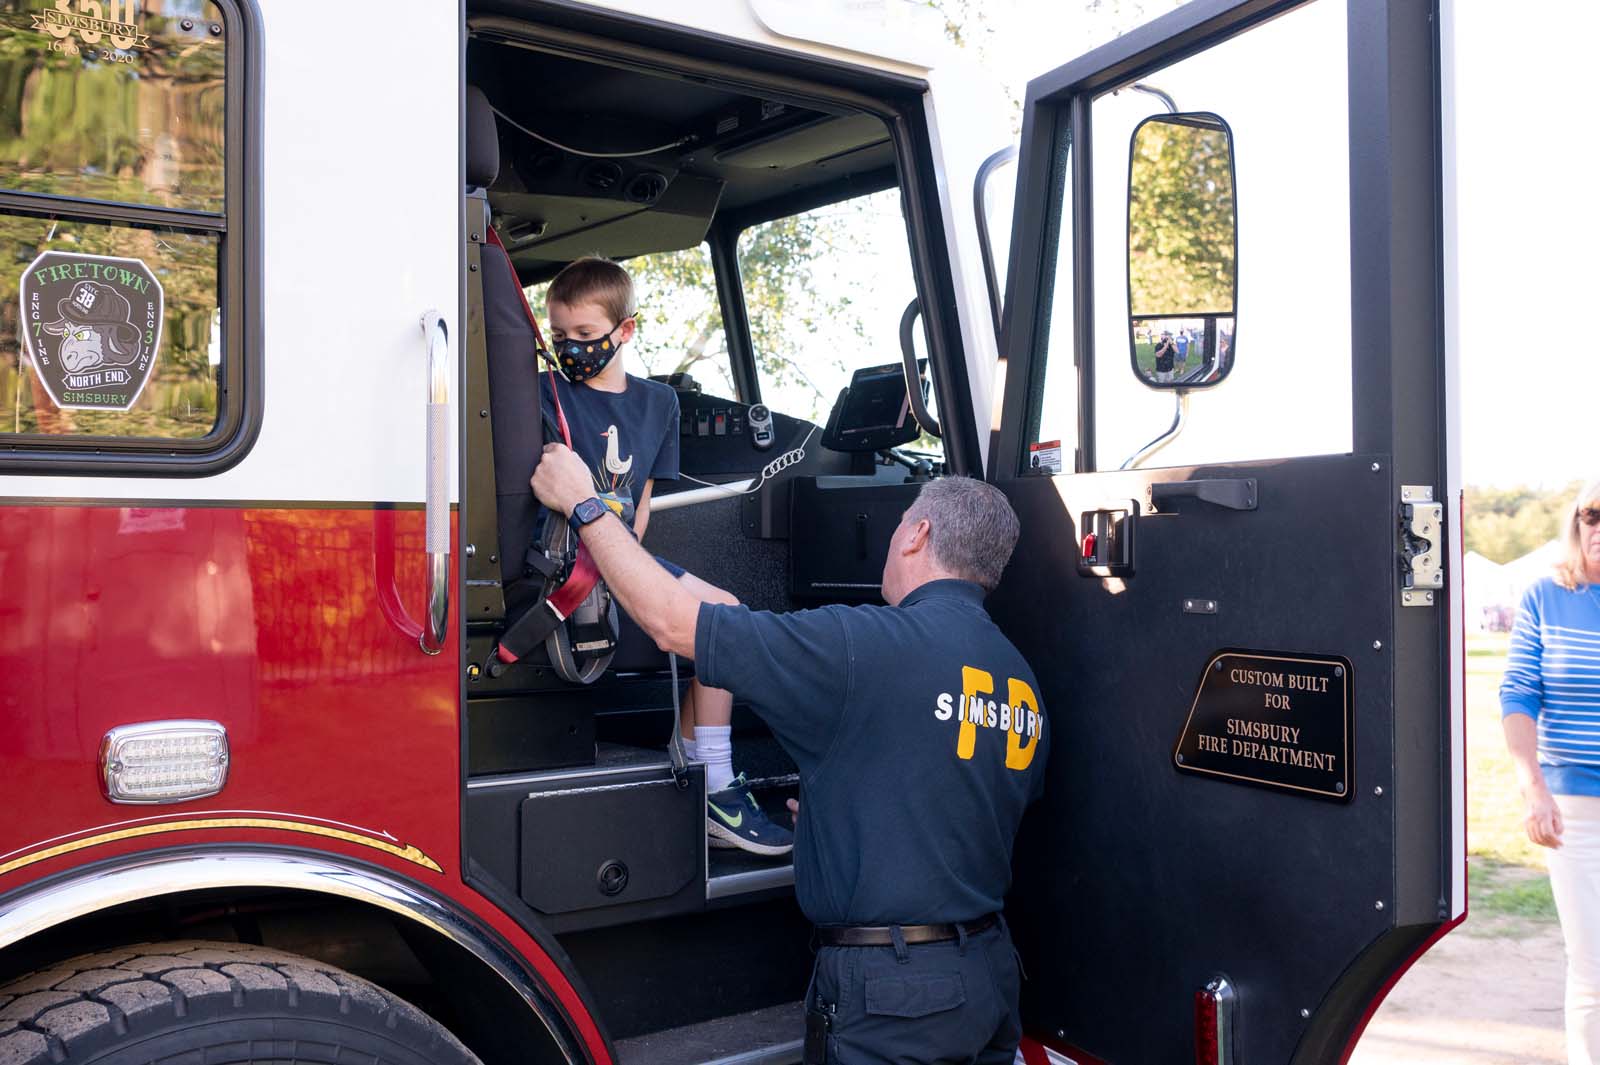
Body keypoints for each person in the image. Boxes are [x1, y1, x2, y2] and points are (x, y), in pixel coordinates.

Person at [532, 455, 1048, 1064]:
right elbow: (957, 798)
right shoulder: (1021, 681)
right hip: (989, 979)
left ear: (918, 534)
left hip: (896, 1001)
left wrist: (584, 504)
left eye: (899, 522)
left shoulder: (863, 646)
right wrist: (842, 820)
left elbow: (674, 623)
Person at [539, 257, 793, 856]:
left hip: (624, 556)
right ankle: (710, 778)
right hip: (567, 562)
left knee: (727, 615)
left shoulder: (658, 404)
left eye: (583, 336)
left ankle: (713, 777)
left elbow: (641, 507)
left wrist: (638, 576)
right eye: (558, 337)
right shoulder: (546, 394)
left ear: (625, 331)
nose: (570, 349)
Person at [1502, 477, 1600, 1064]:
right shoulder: (1547, 595)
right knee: (1592, 965)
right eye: (1592, 515)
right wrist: (1531, 787)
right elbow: (1518, 692)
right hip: (1577, 815)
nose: (1599, 529)